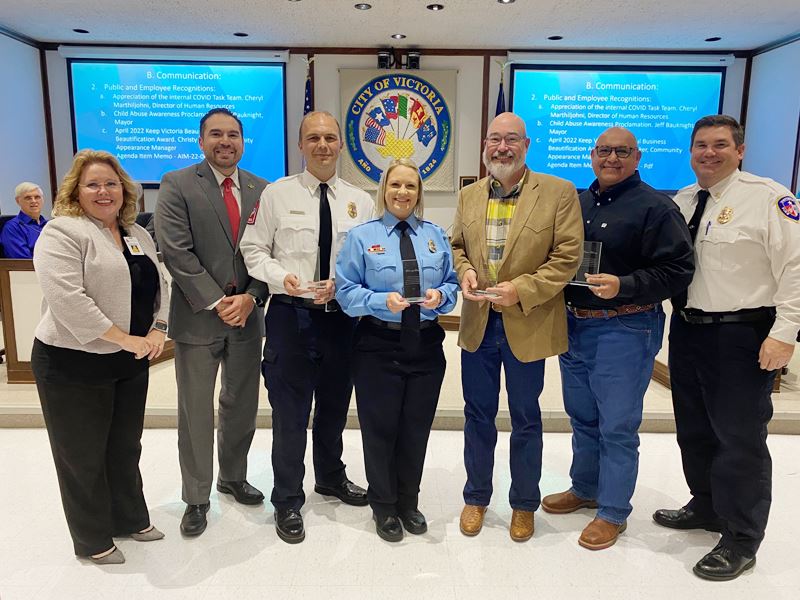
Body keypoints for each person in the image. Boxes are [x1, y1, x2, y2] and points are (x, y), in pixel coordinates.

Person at [653, 115, 800, 581]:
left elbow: (796, 268)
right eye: (700, 145)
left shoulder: (769, 198)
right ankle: (707, 505)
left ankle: (741, 538)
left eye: (720, 145)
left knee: (740, 438)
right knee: (694, 428)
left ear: (740, 150)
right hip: (690, 330)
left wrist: (785, 333)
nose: (708, 153)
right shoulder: (684, 200)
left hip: (743, 334)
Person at [541, 127, 694, 550]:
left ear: (637, 156)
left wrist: (624, 285)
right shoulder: (578, 203)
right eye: (605, 151)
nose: (612, 158)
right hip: (574, 324)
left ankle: (613, 510)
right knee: (582, 417)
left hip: (625, 327)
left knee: (617, 425)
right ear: (592, 155)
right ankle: (584, 487)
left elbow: (679, 270)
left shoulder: (657, 208)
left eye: (621, 152)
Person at [241, 111, 373, 543]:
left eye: (330, 138)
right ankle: (287, 499)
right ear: (300, 144)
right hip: (291, 316)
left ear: (341, 145)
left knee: (335, 407)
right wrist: (284, 278)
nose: (322, 145)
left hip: (343, 318)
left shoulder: (361, 200)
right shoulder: (276, 195)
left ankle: (331, 477)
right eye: (313, 138)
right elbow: (253, 248)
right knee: (291, 413)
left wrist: (348, 283)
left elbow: (370, 258)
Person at [31, 150, 169, 565]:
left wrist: (158, 330)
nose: (103, 191)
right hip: (73, 361)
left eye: (111, 183)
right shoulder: (61, 232)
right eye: (93, 184)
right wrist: (126, 339)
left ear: (124, 190)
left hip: (129, 361)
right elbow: (68, 300)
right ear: (76, 191)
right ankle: (92, 540)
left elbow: (160, 283)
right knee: (81, 455)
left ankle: (129, 517)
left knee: (125, 446)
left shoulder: (135, 232)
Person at [450, 112, 583, 542]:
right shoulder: (468, 194)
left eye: (511, 140)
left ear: (527, 145)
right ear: (485, 145)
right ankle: (476, 497)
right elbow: (456, 247)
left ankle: (524, 503)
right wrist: (464, 271)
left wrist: (521, 290)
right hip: (478, 325)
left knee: (526, 418)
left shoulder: (559, 192)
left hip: (527, 322)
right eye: (494, 139)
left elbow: (566, 258)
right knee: (477, 415)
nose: (501, 147)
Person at [155, 108, 269, 537]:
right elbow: (176, 252)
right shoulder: (178, 183)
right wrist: (221, 301)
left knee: (241, 407)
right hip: (199, 319)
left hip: (247, 318)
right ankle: (197, 497)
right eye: (216, 134)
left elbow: (268, 252)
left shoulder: (263, 189)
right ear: (201, 140)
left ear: (243, 142)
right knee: (196, 412)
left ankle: (233, 477)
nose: (226, 142)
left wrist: (253, 296)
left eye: (234, 135)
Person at [335, 159, 459, 542]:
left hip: (424, 344)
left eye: (410, 186)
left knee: (415, 429)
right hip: (377, 344)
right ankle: (384, 506)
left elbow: (452, 284)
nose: (403, 193)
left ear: (419, 193)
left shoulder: (435, 235)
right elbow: (345, 292)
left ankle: (409, 501)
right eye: (395, 186)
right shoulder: (361, 237)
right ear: (384, 191)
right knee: (380, 429)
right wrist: (377, 301)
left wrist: (442, 296)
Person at [1, 182, 47, 258]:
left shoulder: (49, 225)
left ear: (43, 199)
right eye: (28, 198)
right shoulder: (12, 228)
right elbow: (23, 261)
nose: (34, 201)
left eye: (37, 197)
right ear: (18, 201)